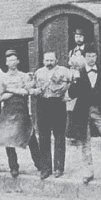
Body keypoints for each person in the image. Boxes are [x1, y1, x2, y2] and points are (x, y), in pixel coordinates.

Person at [67, 42, 101, 184]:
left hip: (99, 110)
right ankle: (88, 172)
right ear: (84, 57)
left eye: (93, 56)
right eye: (88, 56)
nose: (91, 59)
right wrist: (74, 80)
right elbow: (72, 93)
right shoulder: (78, 73)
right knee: (85, 141)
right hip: (82, 110)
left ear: (96, 57)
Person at [0, 49, 40, 178]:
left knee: (30, 137)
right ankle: (13, 167)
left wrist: (8, 89)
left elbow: (27, 92)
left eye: (14, 60)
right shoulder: (2, 77)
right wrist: (16, 91)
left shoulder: (24, 76)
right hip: (8, 111)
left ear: (18, 61)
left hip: (22, 110)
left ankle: (39, 164)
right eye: (10, 60)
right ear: (6, 63)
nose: (12, 62)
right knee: (9, 140)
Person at [34, 51, 73, 179]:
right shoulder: (38, 73)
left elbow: (71, 83)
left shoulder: (64, 71)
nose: (49, 63)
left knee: (59, 136)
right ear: (43, 61)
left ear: (56, 60)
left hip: (58, 104)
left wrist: (67, 95)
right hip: (43, 104)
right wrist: (34, 91)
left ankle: (58, 167)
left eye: (51, 60)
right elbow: (31, 87)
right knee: (43, 137)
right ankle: (46, 168)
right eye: (47, 60)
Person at [67, 28, 87, 136]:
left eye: (80, 36)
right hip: (74, 79)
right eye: (76, 37)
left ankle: (84, 132)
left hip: (84, 79)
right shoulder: (72, 51)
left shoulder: (88, 49)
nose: (78, 39)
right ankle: (72, 132)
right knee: (71, 106)